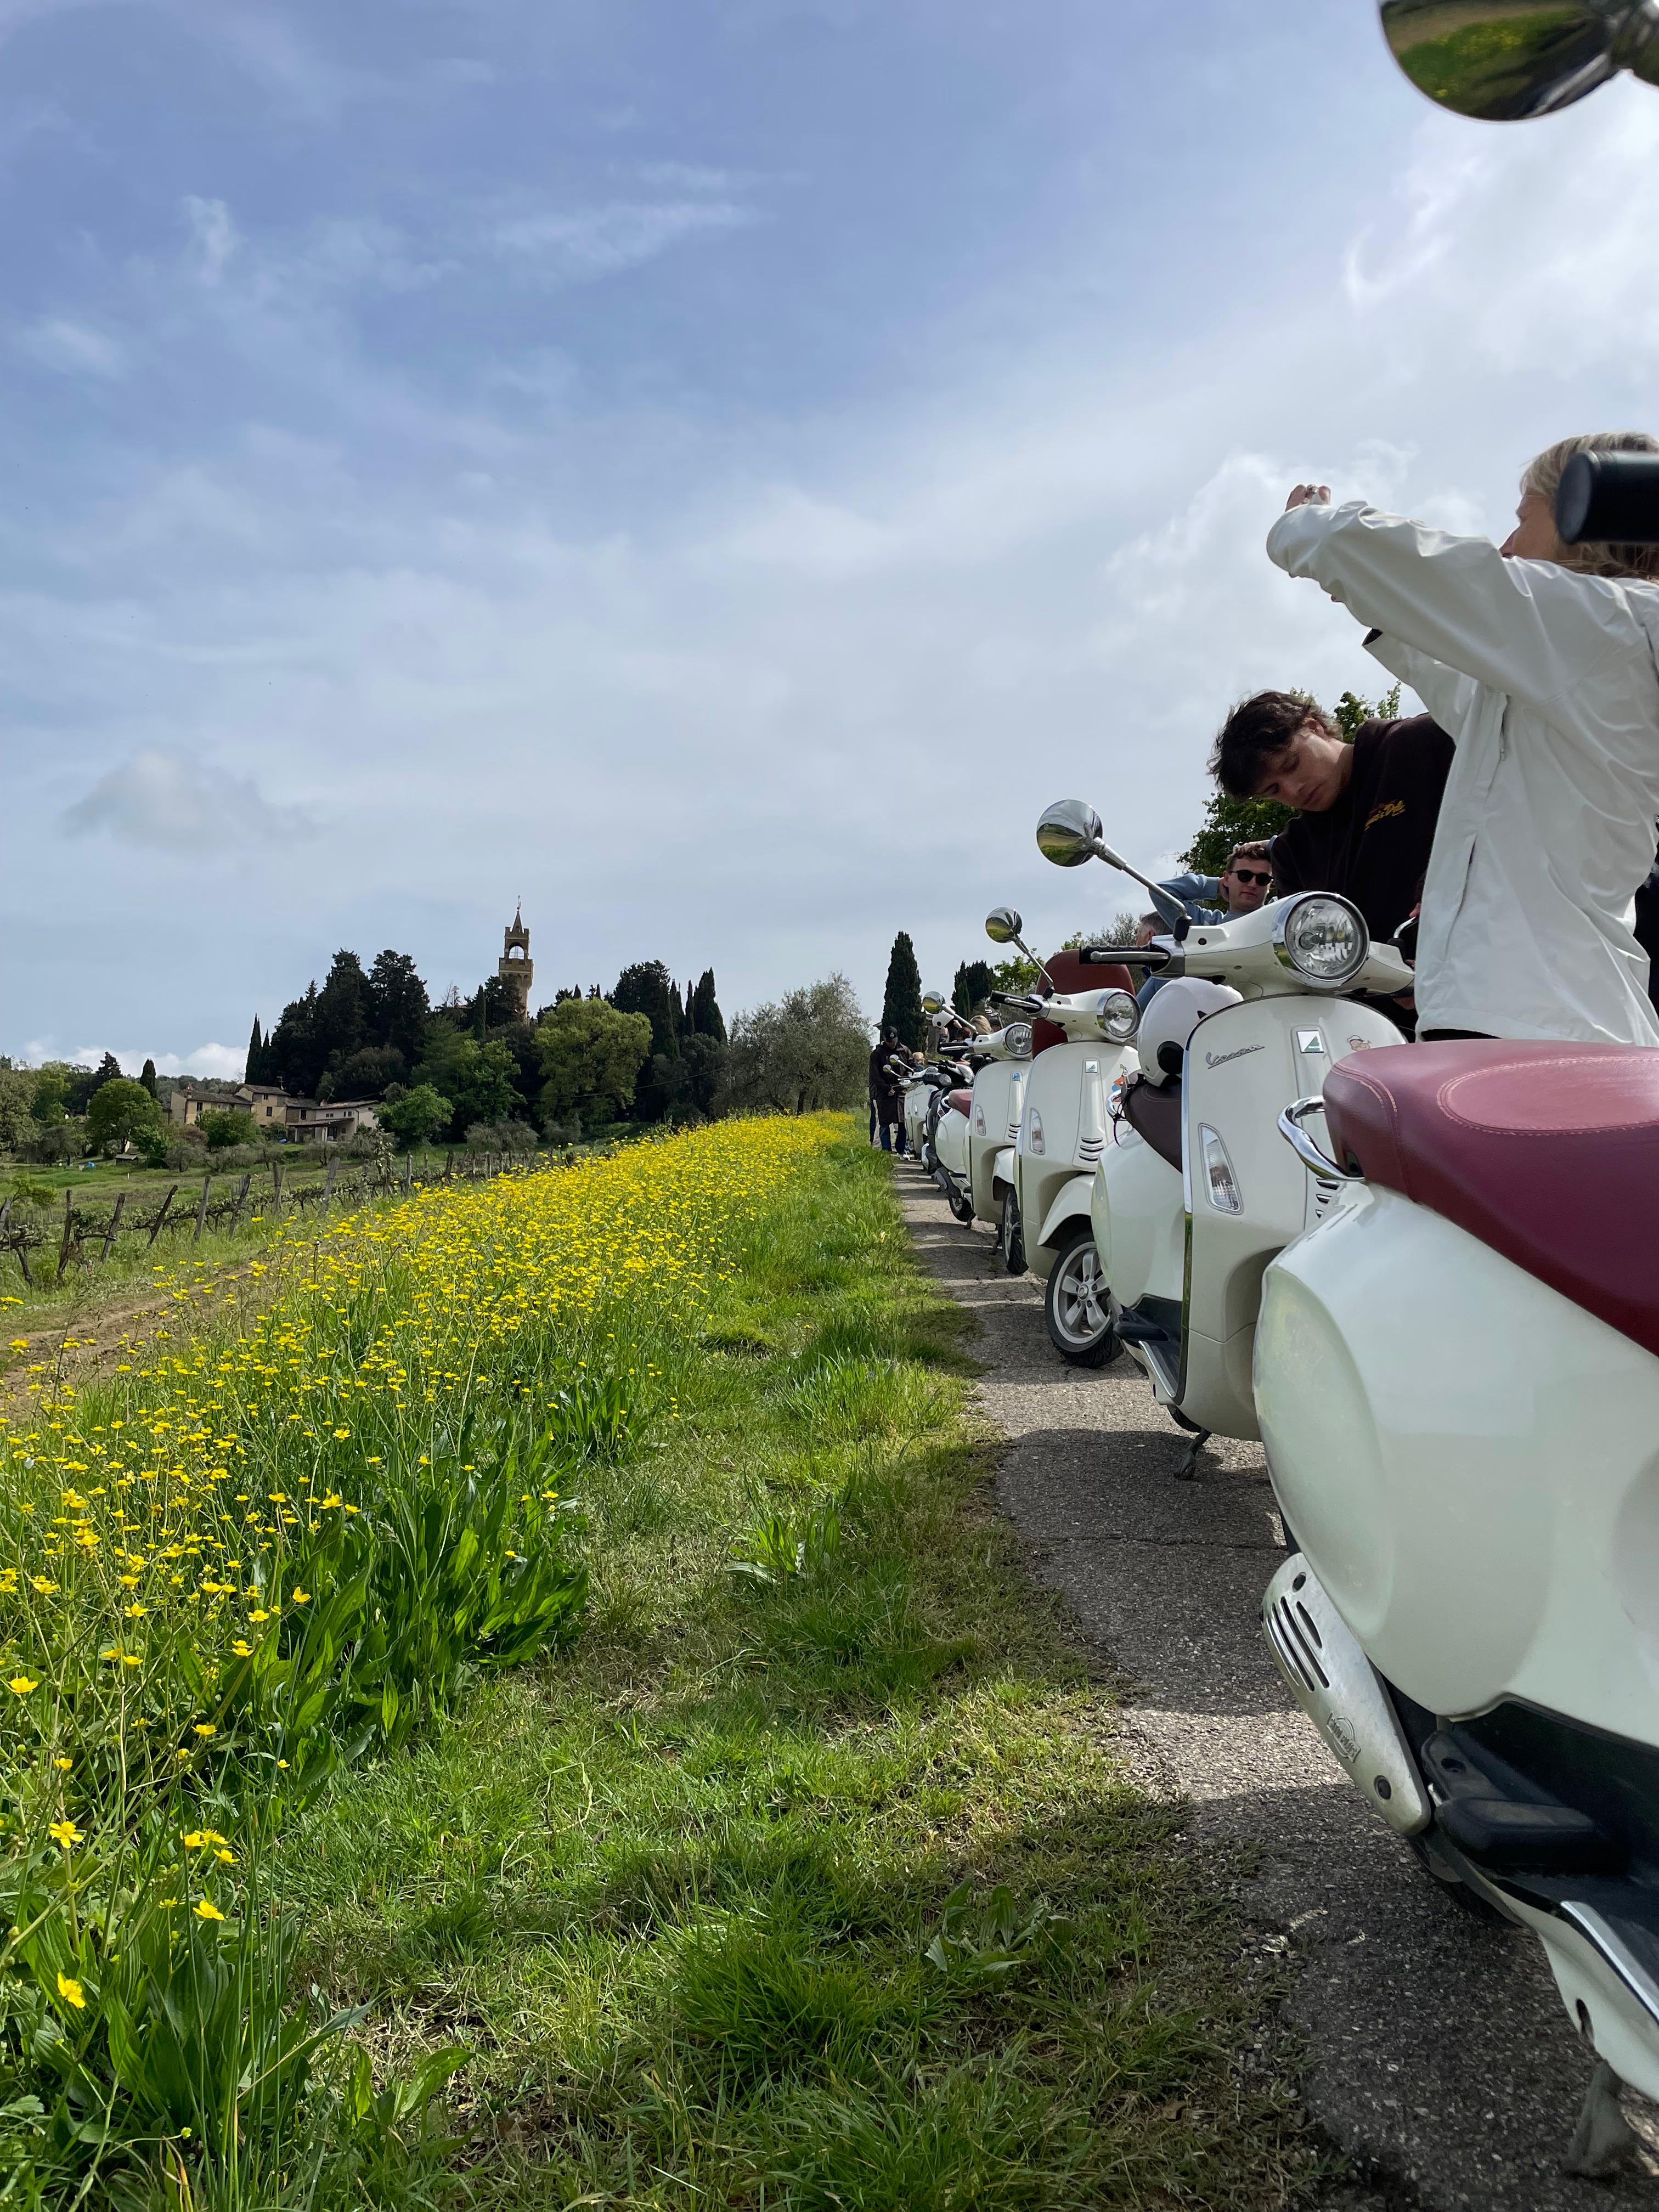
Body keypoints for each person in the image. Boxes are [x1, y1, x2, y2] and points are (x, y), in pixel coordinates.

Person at [1267, 431, 1659, 1045]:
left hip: (1534, 1019)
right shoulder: (1579, 658)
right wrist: (1361, 590)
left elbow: (1394, 559)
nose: (1507, 544)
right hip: (1535, 1014)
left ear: (1583, 510)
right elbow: (1450, 674)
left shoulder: (1602, 623)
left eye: (1523, 519)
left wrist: (1308, 525)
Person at [1136, 840, 1277, 1008]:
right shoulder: (1205, 925)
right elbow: (1160, 892)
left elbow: (1309, 856)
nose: (1253, 884)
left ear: (1270, 885)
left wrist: (1272, 845)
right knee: (1162, 976)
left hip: (1275, 1010)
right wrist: (1214, 886)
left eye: (1263, 879)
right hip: (1219, 1016)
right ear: (1227, 878)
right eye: (1244, 876)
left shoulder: (1282, 917)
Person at [868, 1028, 907, 1154]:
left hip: (901, 1092)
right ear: (884, 1039)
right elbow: (875, 1075)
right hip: (884, 1093)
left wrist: (908, 1079)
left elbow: (911, 1066)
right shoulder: (877, 1054)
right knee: (884, 1123)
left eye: (894, 1041)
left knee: (903, 1122)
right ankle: (886, 1151)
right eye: (889, 1041)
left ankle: (901, 1149)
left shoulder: (905, 1050)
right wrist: (886, 1088)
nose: (892, 1044)